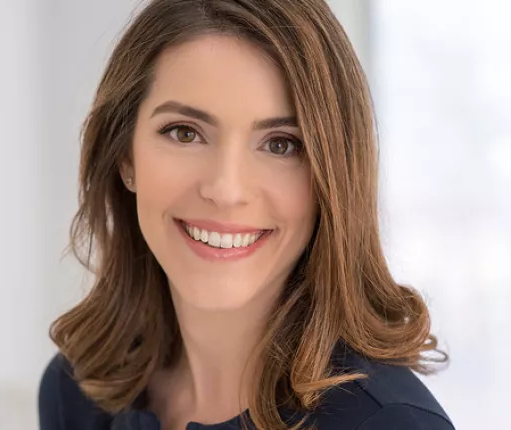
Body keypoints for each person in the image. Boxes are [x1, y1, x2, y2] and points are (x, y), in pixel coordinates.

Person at [38, 0, 455, 429]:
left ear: (334, 176)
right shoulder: (78, 392)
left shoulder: (391, 423)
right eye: (185, 133)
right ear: (125, 157)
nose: (226, 190)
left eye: (280, 144)